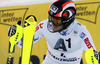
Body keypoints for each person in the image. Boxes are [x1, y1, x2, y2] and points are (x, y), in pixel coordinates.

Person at [8, 0, 100, 64]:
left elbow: (92, 54)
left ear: (67, 20)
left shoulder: (81, 32)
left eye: (57, 21)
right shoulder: (44, 25)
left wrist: (95, 58)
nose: (52, 24)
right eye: (50, 19)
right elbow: (22, 44)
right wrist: (15, 35)